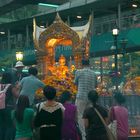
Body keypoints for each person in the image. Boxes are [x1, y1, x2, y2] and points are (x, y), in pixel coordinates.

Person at [74, 59, 97, 139]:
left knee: (80, 115)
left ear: (82, 64)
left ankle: (84, 135)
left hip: (81, 97)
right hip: (91, 98)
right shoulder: (94, 73)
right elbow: (96, 85)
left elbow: (75, 83)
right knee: (90, 115)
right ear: (89, 64)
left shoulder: (78, 72)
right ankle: (90, 133)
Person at [0, 72, 19, 140]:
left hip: (0, 108)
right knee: (9, 125)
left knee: (1, 125)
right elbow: (17, 95)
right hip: (8, 108)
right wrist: (17, 88)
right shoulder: (11, 86)